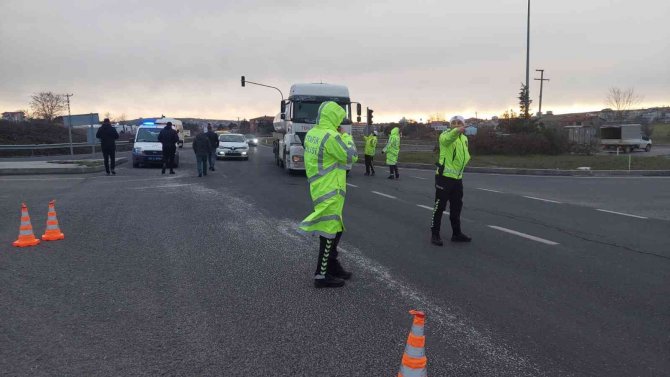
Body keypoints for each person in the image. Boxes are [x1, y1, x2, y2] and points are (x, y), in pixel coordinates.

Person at [299, 101, 357, 288]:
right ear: (333, 118)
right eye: (339, 118)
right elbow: (351, 156)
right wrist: (346, 137)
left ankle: (333, 265)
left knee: (336, 228)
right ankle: (321, 275)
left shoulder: (312, 134)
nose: (341, 122)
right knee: (329, 232)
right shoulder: (332, 137)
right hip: (331, 189)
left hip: (320, 186)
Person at [430, 115, 472, 246]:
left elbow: (465, 154)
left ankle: (456, 233)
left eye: (459, 122)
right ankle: (435, 234)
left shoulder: (464, 138)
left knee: (456, 207)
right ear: (450, 125)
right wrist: (457, 130)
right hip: (444, 178)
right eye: (453, 123)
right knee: (439, 207)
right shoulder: (445, 135)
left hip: (457, 179)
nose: (456, 124)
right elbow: (449, 138)